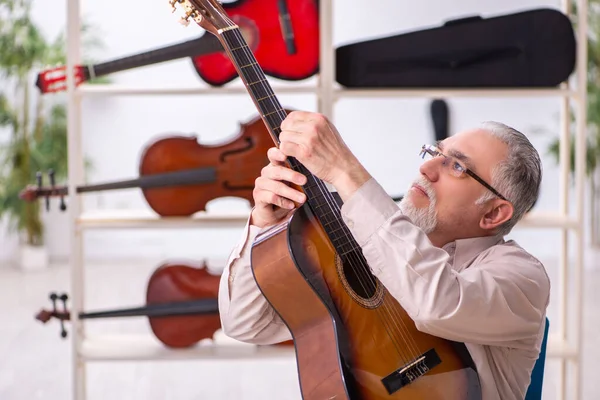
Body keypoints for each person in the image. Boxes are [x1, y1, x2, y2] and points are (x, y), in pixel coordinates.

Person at [217, 111, 550, 400]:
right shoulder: (367, 243)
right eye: (435, 151)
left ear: (493, 214)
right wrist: (264, 228)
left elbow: (437, 303)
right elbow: (246, 324)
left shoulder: (523, 278)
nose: (428, 167)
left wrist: (346, 171)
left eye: (458, 166)